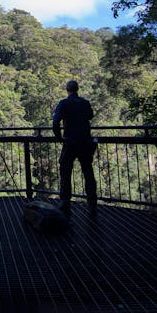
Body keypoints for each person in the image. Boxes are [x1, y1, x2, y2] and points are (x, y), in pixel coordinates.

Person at [52, 80, 98, 216]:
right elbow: (90, 115)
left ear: (67, 90)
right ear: (77, 89)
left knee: (65, 173)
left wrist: (59, 138)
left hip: (70, 142)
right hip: (85, 142)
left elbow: (55, 123)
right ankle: (92, 205)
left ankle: (65, 203)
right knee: (88, 173)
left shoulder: (64, 103)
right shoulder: (85, 103)